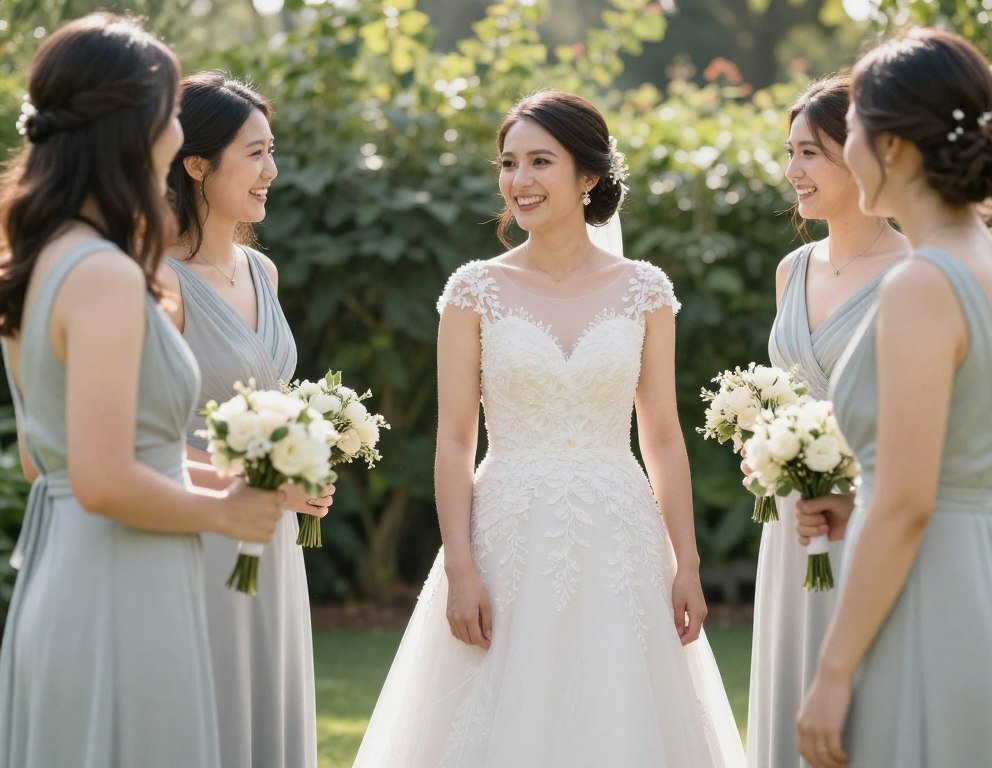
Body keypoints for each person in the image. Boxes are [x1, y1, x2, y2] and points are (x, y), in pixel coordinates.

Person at [352, 89, 745, 767]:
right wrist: (461, 564)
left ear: (587, 175)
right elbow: (452, 440)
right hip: (507, 531)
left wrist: (688, 563)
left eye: (541, 161)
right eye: (509, 163)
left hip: (618, 533)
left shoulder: (644, 290)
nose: (519, 181)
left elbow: (663, 438)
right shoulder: (474, 291)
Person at [0, 14, 282, 767]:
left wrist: (223, 476)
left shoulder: (47, 255)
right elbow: (100, 479)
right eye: (166, 112)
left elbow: (51, 459)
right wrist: (226, 510)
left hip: (72, 567)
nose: (174, 130)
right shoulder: (103, 275)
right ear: (132, 127)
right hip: (119, 581)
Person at [796, 28, 992, 768]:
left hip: (923, 595)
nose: (848, 143)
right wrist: (856, 506)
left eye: (854, 125)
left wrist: (831, 672)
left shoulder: (921, 283)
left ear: (892, 146)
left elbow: (907, 500)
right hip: (986, 576)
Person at [159, 71, 331, 768]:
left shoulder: (263, 271)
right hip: (197, 525)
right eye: (254, 153)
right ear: (196, 164)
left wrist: (305, 454)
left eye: (272, 150)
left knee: (269, 711)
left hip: (275, 535)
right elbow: (147, 428)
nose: (272, 171)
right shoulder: (155, 280)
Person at [744, 75, 907, 768]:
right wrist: (767, 452)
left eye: (810, 153)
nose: (793, 172)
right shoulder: (792, 269)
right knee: (789, 687)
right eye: (790, 153)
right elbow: (784, 400)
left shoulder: (911, 271)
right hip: (790, 521)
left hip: (868, 514)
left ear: (858, 152)